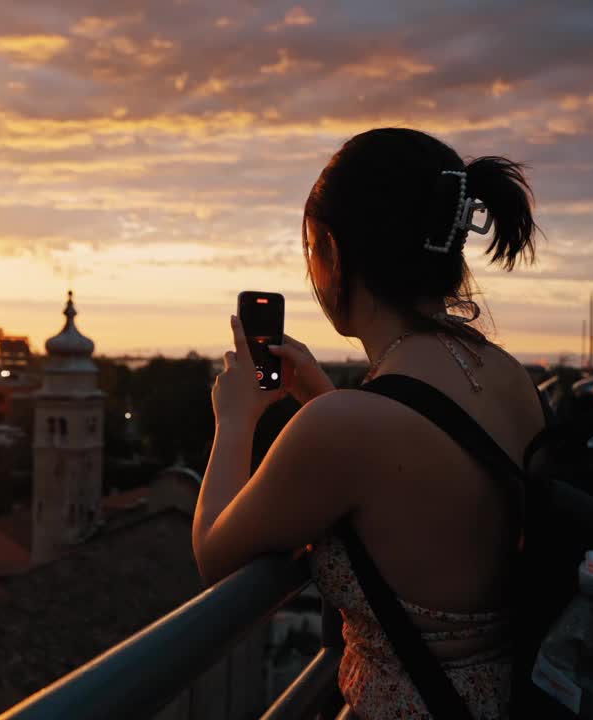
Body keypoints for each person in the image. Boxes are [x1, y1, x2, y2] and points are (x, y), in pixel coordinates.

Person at [192, 127, 543, 719]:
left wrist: (233, 418)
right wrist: (321, 397)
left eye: (309, 248)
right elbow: (407, 482)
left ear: (330, 251)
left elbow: (214, 556)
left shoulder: (346, 428)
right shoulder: (505, 373)